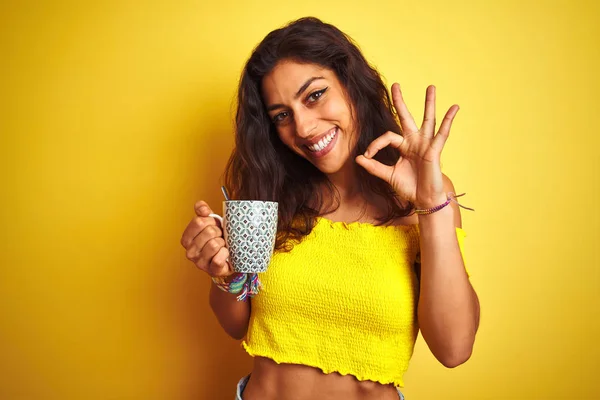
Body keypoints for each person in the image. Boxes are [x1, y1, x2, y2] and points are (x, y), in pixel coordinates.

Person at [180, 16, 480, 400]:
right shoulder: (269, 195)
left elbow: (454, 349)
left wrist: (431, 207)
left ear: (352, 86)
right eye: (282, 116)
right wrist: (222, 273)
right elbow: (237, 325)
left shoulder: (428, 197)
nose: (303, 128)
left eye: (314, 95)